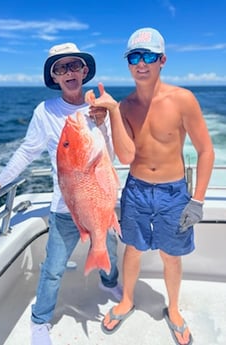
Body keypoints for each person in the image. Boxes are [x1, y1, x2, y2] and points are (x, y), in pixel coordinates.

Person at [0, 42, 126, 345]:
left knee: (108, 247)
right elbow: (27, 151)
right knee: (53, 268)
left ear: (84, 70)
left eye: (74, 65)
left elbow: (114, 154)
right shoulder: (45, 111)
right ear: (54, 77)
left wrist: (105, 123)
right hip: (65, 206)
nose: (69, 72)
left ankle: (109, 282)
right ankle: (40, 320)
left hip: (99, 201)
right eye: (61, 68)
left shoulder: (103, 106)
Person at [86, 27, 215, 345]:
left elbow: (206, 150)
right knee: (133, 249)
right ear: (128, 63)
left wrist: (197, 200)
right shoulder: (126, 106)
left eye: (148, 56)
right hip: (137, 190)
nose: (141, 63)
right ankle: (127, 299)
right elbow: (128, 156)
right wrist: (113, 112)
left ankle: (173, 309)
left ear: (162, 60)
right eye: (134, 57)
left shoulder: (183, 100)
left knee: (172, 255)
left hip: (174, 193)